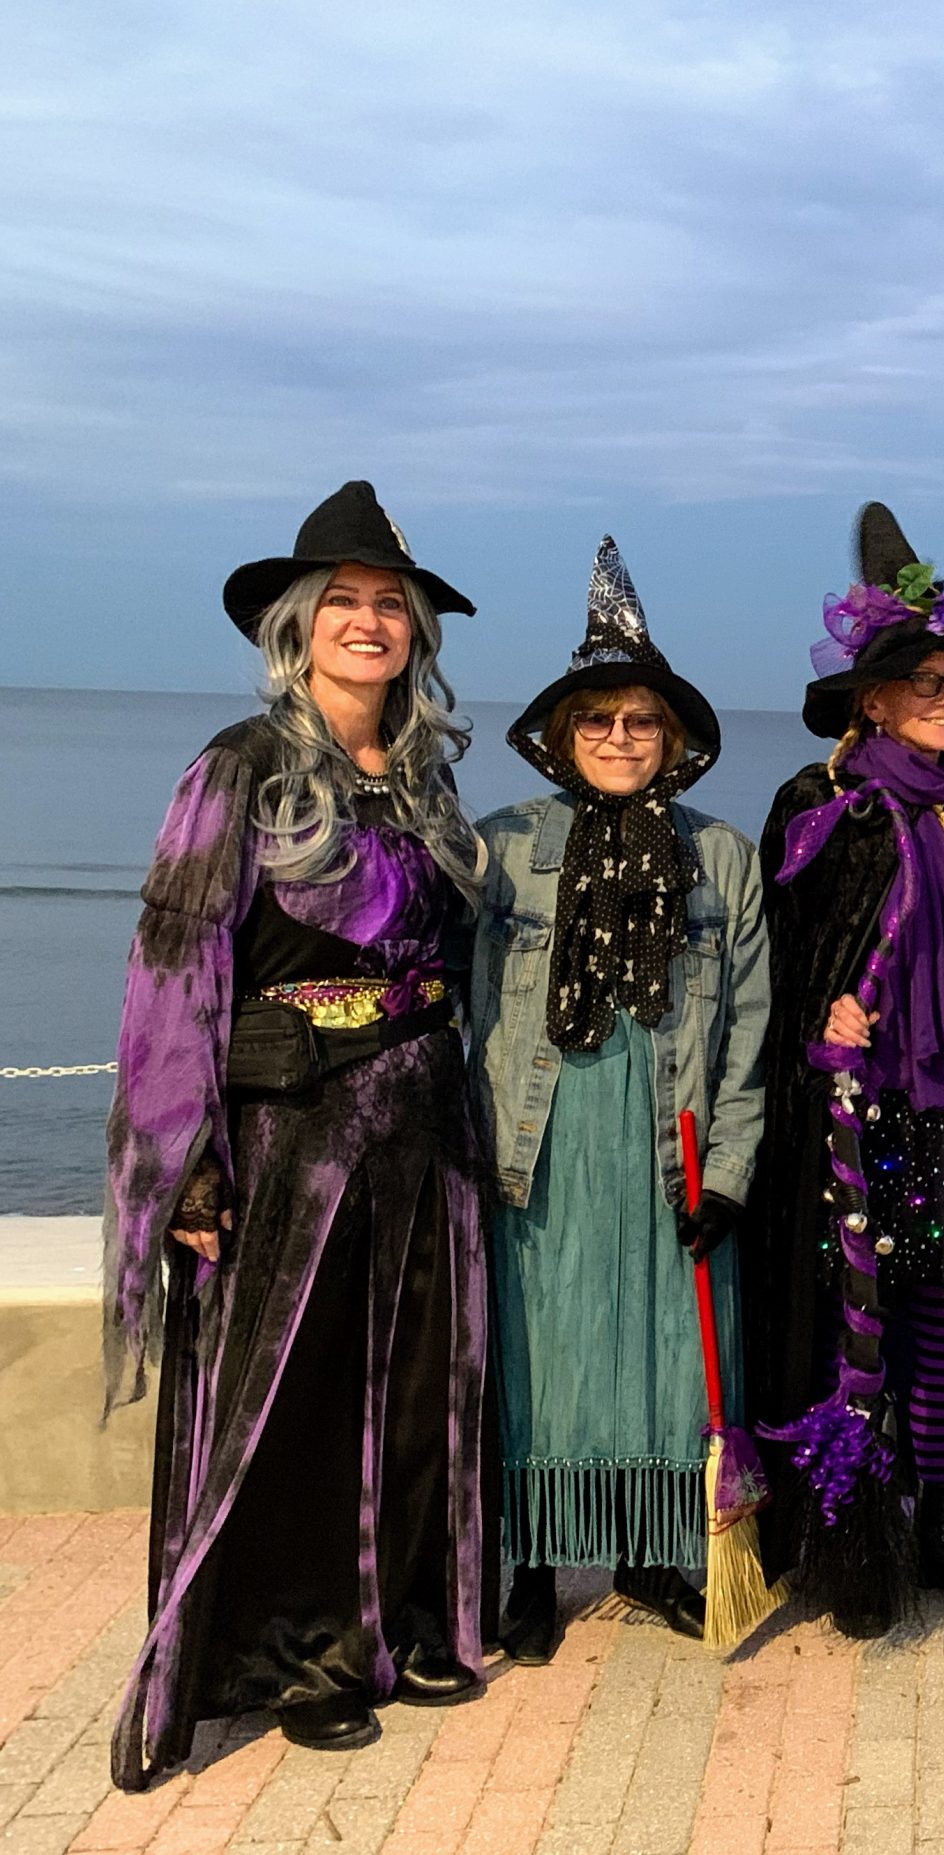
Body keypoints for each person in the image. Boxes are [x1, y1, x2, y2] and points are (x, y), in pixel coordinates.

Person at [101, 482, 490, 1784]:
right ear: (298, 625)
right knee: (298, 1400)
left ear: (418, 635)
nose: (369, 622)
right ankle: (300, 1653)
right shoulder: (240, 767)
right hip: (294, 1139)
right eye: (344, 602)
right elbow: (174, 964)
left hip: (425, 1131)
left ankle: (399, 1623)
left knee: (420, 1388)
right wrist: (185, 1164)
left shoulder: (427, 779)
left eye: (392, 604)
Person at [744, 502, 944, 1637]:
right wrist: (822, 1008)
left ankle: (940, 1528)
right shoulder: (817, 806)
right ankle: (843, 1532)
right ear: (872, 700)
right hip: (849, 1102)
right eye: (922, 683)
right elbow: (776, 956)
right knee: (850, 1321)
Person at [471, 538, 768, 1660]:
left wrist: (728, 1170)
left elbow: (749, 1029)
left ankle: (652, 1556)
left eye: (642, 720)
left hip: (669, 1139)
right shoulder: (503, 850)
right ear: (563, 735)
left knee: (670, 1351)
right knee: (541, 1350)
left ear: (673, 738)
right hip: (541, 1140)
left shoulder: (723, 859)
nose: (619, 736)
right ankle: (535, 1566)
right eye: (596, 719)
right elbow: (462, 1008)